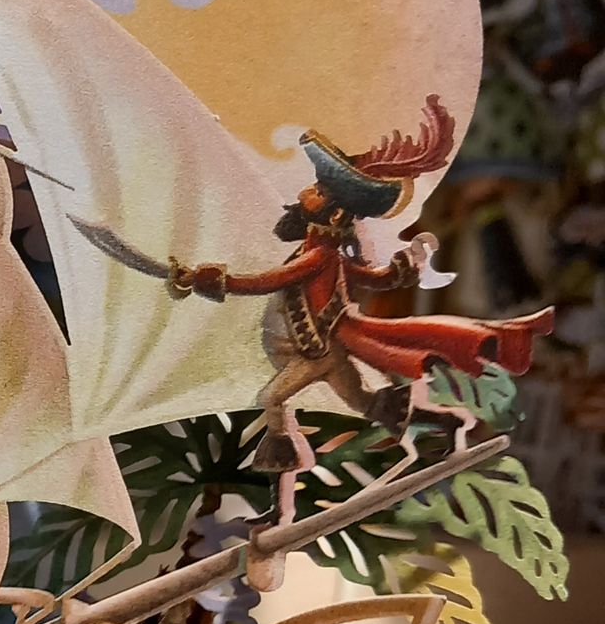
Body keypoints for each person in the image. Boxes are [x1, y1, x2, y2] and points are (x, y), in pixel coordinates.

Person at [158, 94, 551, 473]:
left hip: (316, 353)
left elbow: (271, 281)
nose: (305, 193)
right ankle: (445, 423)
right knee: (369, 406)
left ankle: (281, 457)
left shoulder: (318, 254)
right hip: (320, 349)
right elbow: (364, 276)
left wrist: (209, 279)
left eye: (317, 191)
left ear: (332, 212)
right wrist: (393, 274)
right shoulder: (322, 249)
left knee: (272, 398)